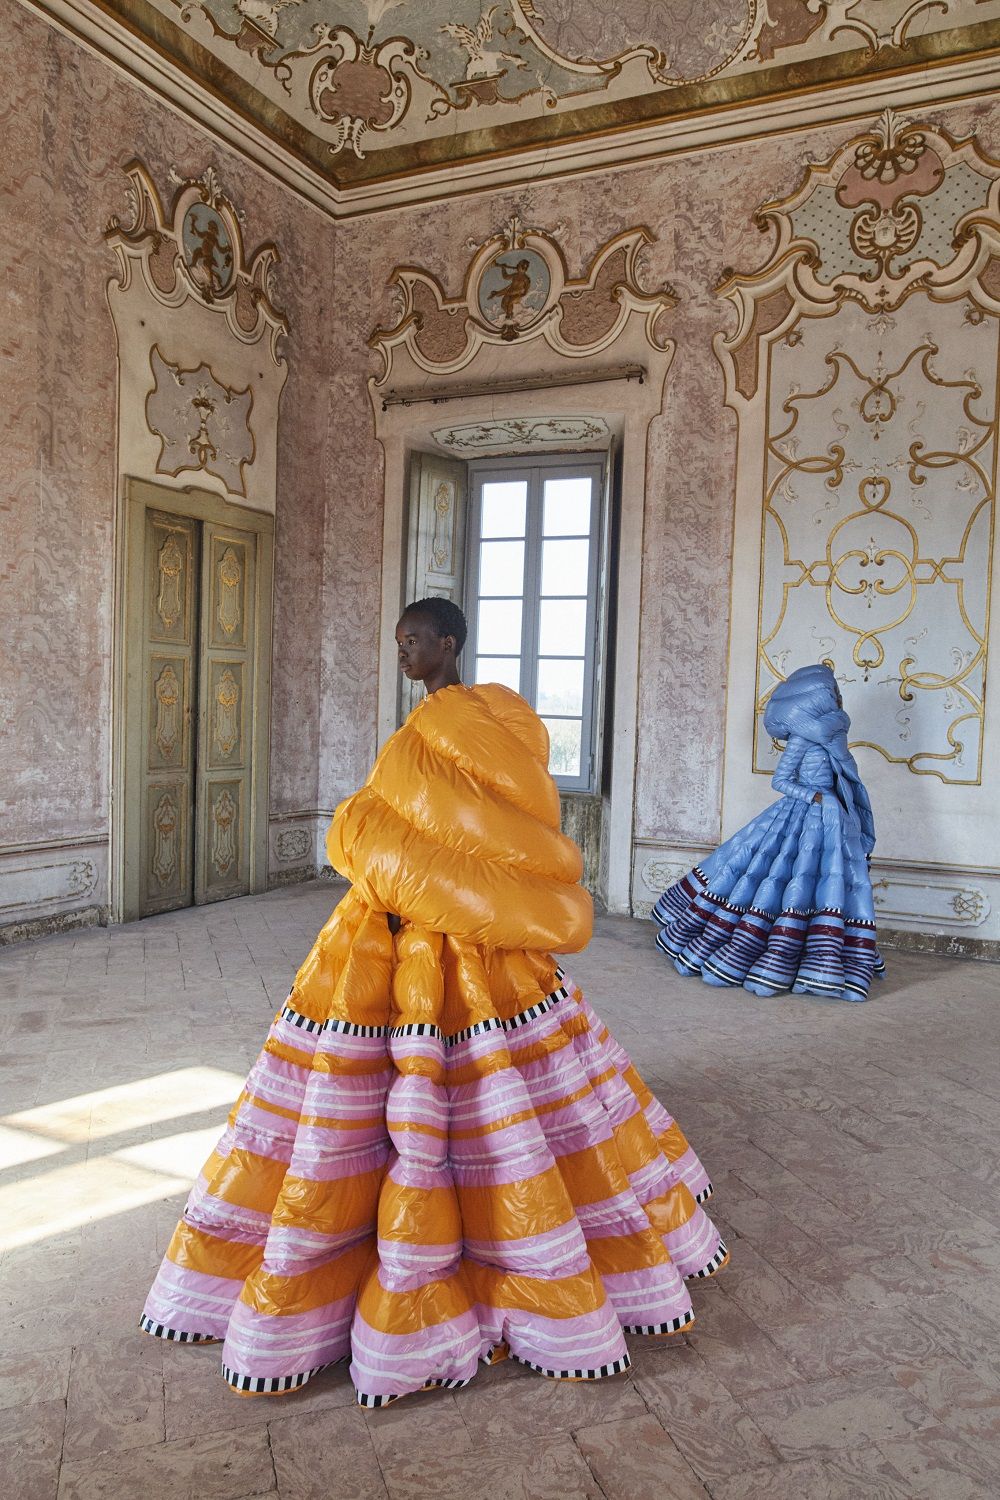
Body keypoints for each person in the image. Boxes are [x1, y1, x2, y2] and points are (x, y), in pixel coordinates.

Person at [140, 598, 727, 1406]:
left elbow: (483, 827)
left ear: (448, 643)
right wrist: (403, 862)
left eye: (414, 640)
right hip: (396, 919)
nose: (404, 652)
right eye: (399, 642)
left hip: (463, 935)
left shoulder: (467, 723)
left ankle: (494, 1247)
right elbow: (402, 825)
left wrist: (416, 868)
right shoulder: (429, 731)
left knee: (484, 1079)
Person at [653, 662, 884, 1001]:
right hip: (804, 815)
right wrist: (814, 796)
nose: (838, 698)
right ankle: (770, 955)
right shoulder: (801, 739)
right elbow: (780, 781)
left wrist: (835, 803)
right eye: (832, 692)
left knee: (829, 885)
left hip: (834, 820)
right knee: (780, 878)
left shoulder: (836, 737)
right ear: (816, 699)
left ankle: (819, 958)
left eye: (837, 693)